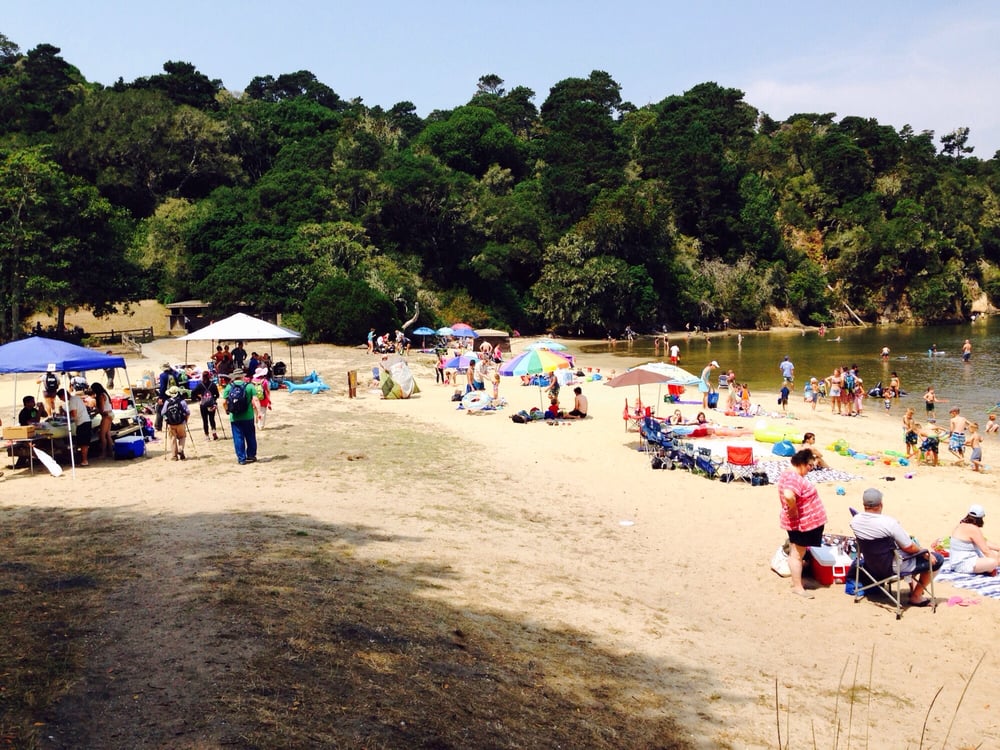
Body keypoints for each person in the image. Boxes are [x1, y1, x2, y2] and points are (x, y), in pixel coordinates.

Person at [850, 488, 943, 606]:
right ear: (881, 504)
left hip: (871, 565)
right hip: (892, 567)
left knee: (911, 552)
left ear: (864, 505)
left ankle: (913, 586)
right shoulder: (889, 523)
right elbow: (908, 547)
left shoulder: (855, 521)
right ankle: (916, 596)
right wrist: (924, 551)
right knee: (936, 559)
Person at [777, 449, 828, 599]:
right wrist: (793, 509)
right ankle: (798, 587)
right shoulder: (793, 478)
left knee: (799, 552)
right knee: (797, 554)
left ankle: (799, 581)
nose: (811, 469)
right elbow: (788, 494)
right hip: (802, 524)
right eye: (810, 466)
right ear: (802, 464)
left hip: (803, 523)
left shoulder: (789, 474)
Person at [220, 369, 261, 465]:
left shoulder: (229, 387)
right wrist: (258, 413)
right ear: (243, 376)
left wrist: (227, 410)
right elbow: (255, 400)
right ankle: (251, 455)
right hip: (248, 416)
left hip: (235, 417)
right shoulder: (250, 386)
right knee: (250, 436)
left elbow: (224, 402)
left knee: (238, 438)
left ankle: (241, 458)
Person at [946, 504, 1000, 575]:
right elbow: (985, 550)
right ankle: (989, 570)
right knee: (993, 562)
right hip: (962, 563)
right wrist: (997, 562)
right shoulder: (973, 529)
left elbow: (983, 542)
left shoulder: (962, 525)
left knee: (994, 554)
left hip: (957, 560)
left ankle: (988, 568)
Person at [56, 388, 92, 467]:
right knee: (83, 443)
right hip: (86, 421)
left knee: (83, 443)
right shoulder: (76, 398)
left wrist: (67, 420)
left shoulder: (72, 401)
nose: (62, 400)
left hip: (82, 422)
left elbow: (74, 415)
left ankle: (85, 460)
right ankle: (83, 459)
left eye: (61, 398)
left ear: (63, 396)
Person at [161, 385, 190, 461]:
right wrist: (185, 421)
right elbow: (187, 412)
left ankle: (174, 456)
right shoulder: (182, 401)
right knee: (182, 437)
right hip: (181, 423)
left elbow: (163, 413)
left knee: (173, 438)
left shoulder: (167, 402)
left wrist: (167, 420)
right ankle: (180, 449)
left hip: (171, 424)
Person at [91, 382, 115, 459]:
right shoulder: (105, 394)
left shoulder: (101, 396)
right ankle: (111, 451)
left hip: (106, 415)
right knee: (107, 434)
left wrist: (95, 412)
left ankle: (103, 453)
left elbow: (101, 409)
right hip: (110, 413)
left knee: (102, 435)